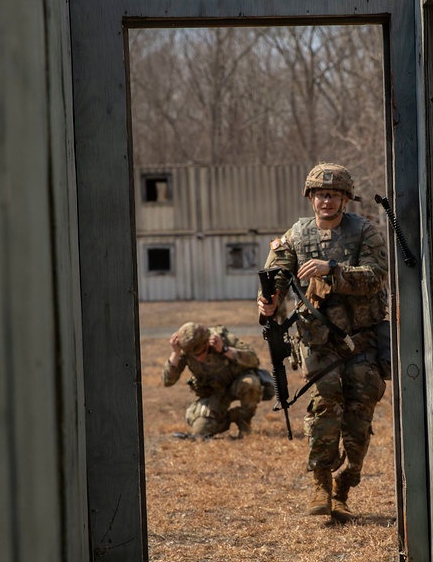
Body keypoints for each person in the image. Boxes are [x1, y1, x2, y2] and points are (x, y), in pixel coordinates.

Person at [257, 161, 389, 521]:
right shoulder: (296, 235)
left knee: (359, 417)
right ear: (310, 197)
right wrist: (268, 301)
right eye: (319, 194)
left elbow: (376, 277)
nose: (326, 201)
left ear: (345, 199)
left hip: (361, 342)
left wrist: (332, 269)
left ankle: (346, 484)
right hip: (318, 342)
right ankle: (321, 485)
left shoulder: (365, 232)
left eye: (333, 195)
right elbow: (277, 275)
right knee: (323, 408)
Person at [163, 321, 263, 439]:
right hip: (214, 393)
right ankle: (234, 416)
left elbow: (253, 360)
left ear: (207, 343)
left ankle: (245, 423)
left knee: (250, 384)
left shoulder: (222, 338)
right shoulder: (186, 350)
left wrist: (225, 350)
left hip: (237, 384)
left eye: (202, 352)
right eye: (195, 356)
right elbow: (168, 381)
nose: (199, 358)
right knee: (201, 429)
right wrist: (175, 353)